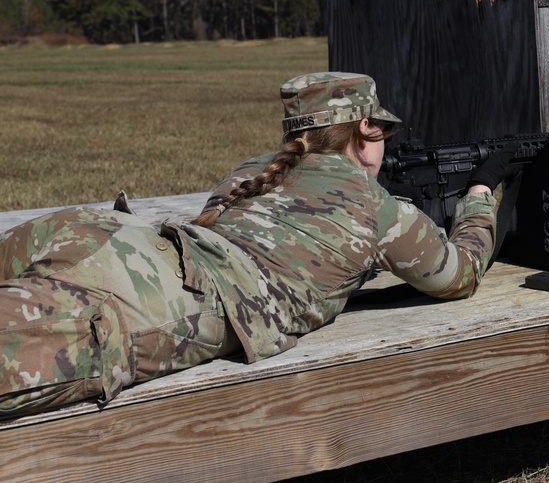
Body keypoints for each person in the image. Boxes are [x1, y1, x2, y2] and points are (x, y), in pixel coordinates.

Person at [0, 72, 510, 418]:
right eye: (383, 135)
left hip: (102, 233)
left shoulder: (252, 171)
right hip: (164, 297)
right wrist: (481, 197)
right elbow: (457, 274)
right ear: (364, 128)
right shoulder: (379, 210)